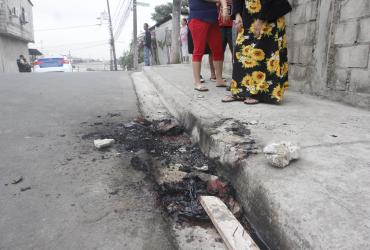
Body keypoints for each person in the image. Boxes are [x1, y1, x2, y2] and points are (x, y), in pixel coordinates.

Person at [222, 0, 289, 104]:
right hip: (248, 11)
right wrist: (237, 14)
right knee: (241, 51)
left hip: (269, 12)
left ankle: (259, 93)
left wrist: (261, 19)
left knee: (265, 53)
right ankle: (239, 92)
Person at [188, 0, 229, 91]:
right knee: (199, 49)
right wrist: (222, 1)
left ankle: (219, 79)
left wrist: (222, 4)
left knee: (218, 49)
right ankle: (197, 82)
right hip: (198, 17)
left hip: (213, 18)